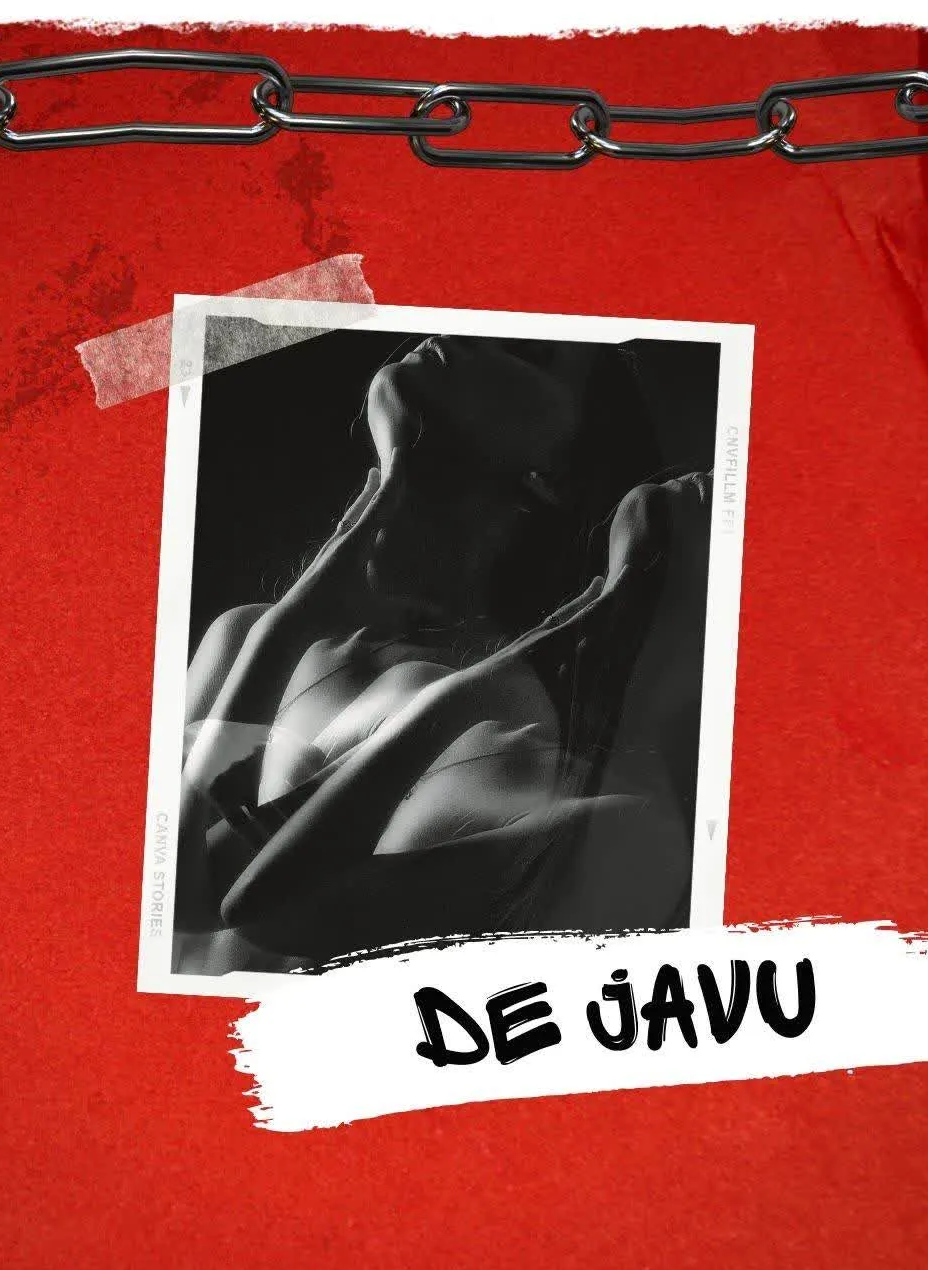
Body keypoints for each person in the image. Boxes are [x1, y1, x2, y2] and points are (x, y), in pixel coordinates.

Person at [174, 334, 713, 973]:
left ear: (555, 475)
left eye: (528, 352)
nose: (461, 332)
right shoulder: (243, 637)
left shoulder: (524, 753)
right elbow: (145, 900)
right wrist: (285, 627)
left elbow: (227, 912)